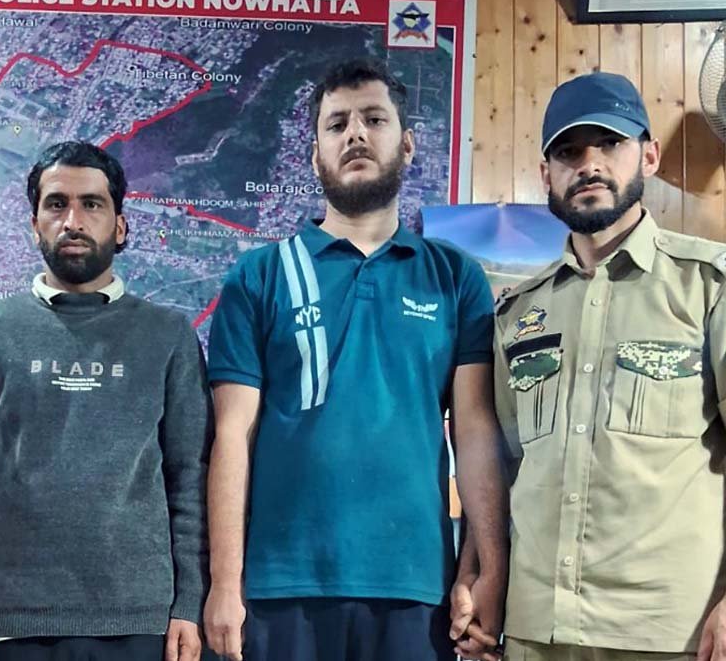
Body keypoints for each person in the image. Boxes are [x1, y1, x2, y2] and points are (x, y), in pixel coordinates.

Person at [202, 58, 509, 661]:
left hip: (416, 588)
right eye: (337, 124)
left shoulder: (454, 276)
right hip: (280, 587)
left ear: (407, 144)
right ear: (315, 154)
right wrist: (223, 583)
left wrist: (488, 569)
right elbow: (233, 435)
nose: (356, 134)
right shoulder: (259, 275)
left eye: (374, 119)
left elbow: (474, 432)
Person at [0, 140, 213, 661]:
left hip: (143, 621)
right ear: (34, 224)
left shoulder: (169, 335)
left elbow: (189, 482)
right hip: (13, 623)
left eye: (92, 204)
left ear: (120, 225)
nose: (73, 220)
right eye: (56, 204)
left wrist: (189, 605)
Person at [494, 70, 726, 661]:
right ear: (546, 175)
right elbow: (504, 466)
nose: (589, 164)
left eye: (610, 143)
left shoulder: (708, 286)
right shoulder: (517, 313)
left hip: (669, 631)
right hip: (536, 631)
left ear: (648, 156)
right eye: (568, 152)